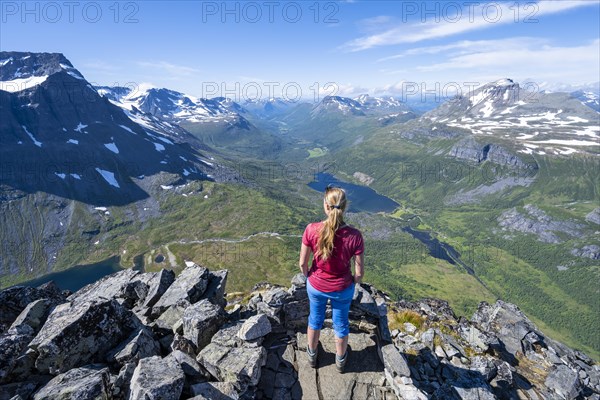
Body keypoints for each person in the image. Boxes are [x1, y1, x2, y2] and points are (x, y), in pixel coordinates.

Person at [298, 185, 365, 373]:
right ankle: (341, 361)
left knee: (315, 320)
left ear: (326, 206)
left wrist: (310, 278)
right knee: (341, 323)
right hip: (343, 288)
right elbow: (359, 273)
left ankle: (312, 355)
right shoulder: (355, 236)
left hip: (316, 285)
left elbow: (303, 264)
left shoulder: (311, 229)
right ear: (344, 207)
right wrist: (353, 282)